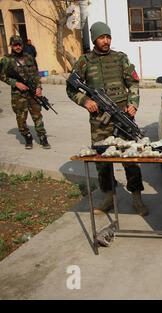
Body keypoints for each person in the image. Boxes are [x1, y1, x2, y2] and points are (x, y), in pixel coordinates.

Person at [66, 21, 148, 216]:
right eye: (102, 37)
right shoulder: (84, 61)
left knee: (130, 157)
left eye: (108, 37)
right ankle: (109, 197)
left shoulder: (120, 58)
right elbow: (71, 88)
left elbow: (134, 84)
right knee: (102, 160)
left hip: (122, 116)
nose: (106, 40)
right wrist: (85, 101)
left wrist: (133, 103)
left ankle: (136, 197)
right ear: (94, 38)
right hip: (99, 121)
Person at [0, 35, 50, 149]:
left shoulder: (29, 57)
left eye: (19, 44)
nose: (18, 47)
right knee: (21, 117)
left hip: (32, 93)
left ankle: (42, 137)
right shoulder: (6, 60)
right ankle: (27, 136)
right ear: (11, 46)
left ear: (22, 45)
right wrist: (16, 83)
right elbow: (2, 75)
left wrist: (38, 87)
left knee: (37, 115)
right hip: (18, 95)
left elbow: (36, 74)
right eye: (15, 45)